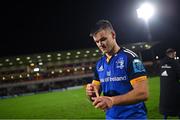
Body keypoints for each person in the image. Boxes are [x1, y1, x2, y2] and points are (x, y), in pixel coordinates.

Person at [86, 19, 149, 119]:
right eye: (97, 41)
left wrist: (112, 100)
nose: (100, 44)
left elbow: (143, 93)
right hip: (111, 117)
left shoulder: (130, 58)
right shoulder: (99, 64)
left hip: (133, 117)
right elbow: (95, 93)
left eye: (103, 39)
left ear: (113, 35)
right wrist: (91, 93)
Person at [159, 48, 180, 119]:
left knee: (165, 107)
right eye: (175, 53)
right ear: (172, 53)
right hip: (174, 89)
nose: (175, 55)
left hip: (164, 89)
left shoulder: (162, 62)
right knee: (177, 106)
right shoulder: (174, 62)